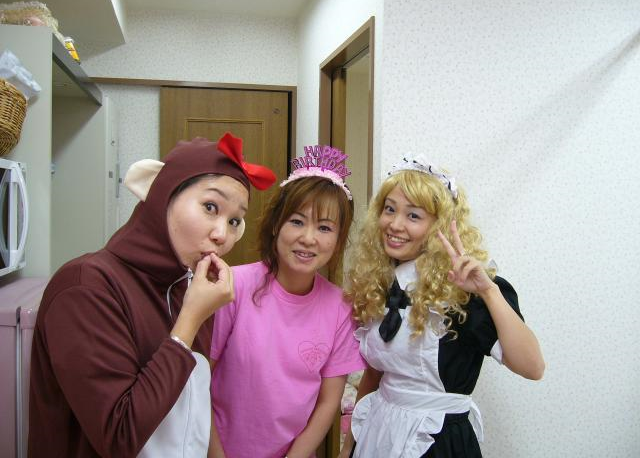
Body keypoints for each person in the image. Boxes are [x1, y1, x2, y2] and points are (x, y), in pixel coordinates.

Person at [28, 133, 276, 458]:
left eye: (234, 221)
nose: (222, 235)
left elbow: (191, 412)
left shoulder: (189, 289)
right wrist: (189, 322)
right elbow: (119, 437)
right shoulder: (85, 286)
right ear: (162, 196)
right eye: (210, 207)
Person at [340, 155, 545, 458]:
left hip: (438, 440)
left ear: (439, 227)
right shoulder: (380, 285)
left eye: (413, 215)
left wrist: (488, 291)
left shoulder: (465, 291)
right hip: (378, 432)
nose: (395, 224)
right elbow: (374, 376)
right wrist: (348, 448)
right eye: (390, 209)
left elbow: (532, 367)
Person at [209, 145, 367, 458]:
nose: (308, 238)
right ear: (276, 225)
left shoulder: (340, 308)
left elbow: (328, 403)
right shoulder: (233, 285)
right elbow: (198, 382)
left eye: (324, 227)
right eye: (297, 221)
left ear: (338, 240)